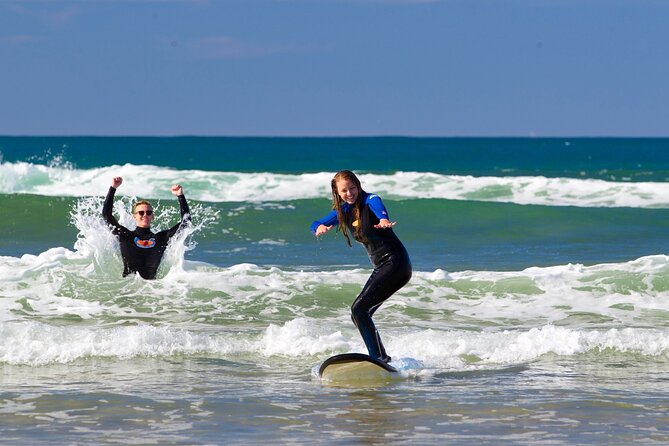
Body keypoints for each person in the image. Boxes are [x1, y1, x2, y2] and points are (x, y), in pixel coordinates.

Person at [310, 170, 412, 363]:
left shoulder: (370, 200)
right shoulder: (345, 211)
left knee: (359, 310)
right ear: (337, 193)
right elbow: (316, 222)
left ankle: (378, 359)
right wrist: (318, 228)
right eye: (344, 191)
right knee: (360, 314)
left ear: (358, 186)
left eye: (352, 188)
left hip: (395, 263)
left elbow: (378, 206)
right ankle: (383, 358)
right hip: (383, 266)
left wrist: (383, 219)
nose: (349, 193)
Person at [102, 176, 191, 279]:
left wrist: (180, 196)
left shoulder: (161, 238)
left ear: (152, 216)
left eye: (148, 213)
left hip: (151, 289)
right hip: (128, 286)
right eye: (141, 212)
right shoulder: (125, 235)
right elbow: (106, 215)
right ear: (134, 216)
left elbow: (186, 222)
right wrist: (113, 188)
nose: (145, 215)